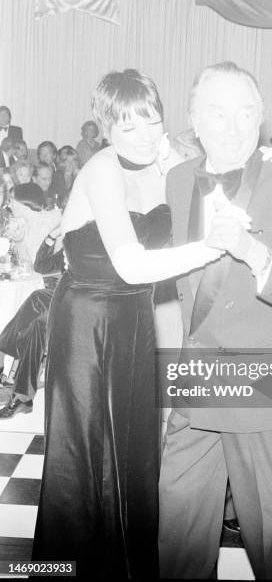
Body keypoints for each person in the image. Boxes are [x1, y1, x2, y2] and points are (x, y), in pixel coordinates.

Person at [31, 68, 223, 578]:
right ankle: (64, 568)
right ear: (105, 129)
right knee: (83, 451)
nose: (144, 136)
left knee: (136, 444)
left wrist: (258, 160)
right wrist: (211, 247)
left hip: (135, 318)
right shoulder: (100, 168)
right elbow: (132, 265)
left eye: (153, 122)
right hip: (86, 320)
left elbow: (221, 189)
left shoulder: (166, 164)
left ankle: (131, 566)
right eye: (128, 127)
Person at [158, 61, 272, 580]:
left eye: (245, 113)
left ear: (260, 117)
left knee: (265, 527)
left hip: (262, 382)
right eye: (217, 112)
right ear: (193, 119)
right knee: (178, 518)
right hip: (199, 377)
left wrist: (254, 253)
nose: (232, 127)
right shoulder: (177, 178)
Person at [0, 226, 64, 418]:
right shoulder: (76, 241)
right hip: (66, 297)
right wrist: (52, 236)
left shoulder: (102, 244)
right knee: (36, 308)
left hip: (86, 304)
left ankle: (19, 392)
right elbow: (41, 266)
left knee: (37, 312)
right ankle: (21, 395)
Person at [7, 183, 61, 265]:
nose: (9, 205)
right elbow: (11, 257)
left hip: (50, 275)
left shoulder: (43, 222)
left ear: (23, 201)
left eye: (11, 200)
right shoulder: (23, 222)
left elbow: (32, 264)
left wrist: (18, 240)